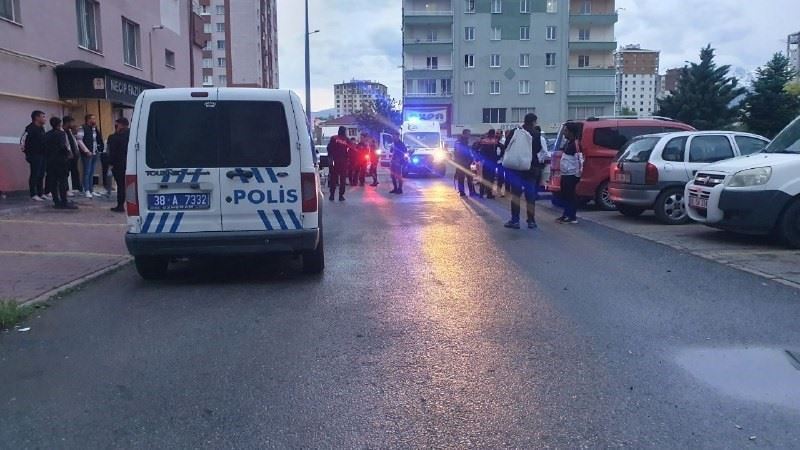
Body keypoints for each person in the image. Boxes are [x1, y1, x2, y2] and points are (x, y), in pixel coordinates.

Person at [504, 113, 545, 229]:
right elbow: (538, 149)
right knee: (530, 195)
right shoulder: (536, 134)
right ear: (533, 122)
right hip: (531, 167)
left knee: (516, 195)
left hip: (516, 167)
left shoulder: (515, 131)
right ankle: (531, 221)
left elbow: (506, 145)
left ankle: (515, 220)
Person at [43, 117, 77, 209]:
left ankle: (56, 201)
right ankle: (64, 201)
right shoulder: (61, 134)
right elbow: (63, 146)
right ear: (59, 124)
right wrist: (68, 153)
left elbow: (44, 147)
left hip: (50, 161)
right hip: (61, 160)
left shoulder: (47, 134)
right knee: (63, 181)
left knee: (53, 182)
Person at [557, 122, 583, 224]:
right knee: (565, 195)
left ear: (571, 132)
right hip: (565, 173)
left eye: (566, 131)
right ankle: (566, 214)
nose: (564, 133)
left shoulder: (576, 144)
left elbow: (579, 160)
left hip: (571, 174)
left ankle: (572, 216)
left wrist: (577, 174)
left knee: (571, 195)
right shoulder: (568, 143)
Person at [23, 110, 47, 201]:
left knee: (41, 174)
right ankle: (33, 194)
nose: (45, 119)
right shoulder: (30, 128)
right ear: (37, 117)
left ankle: (41, 193)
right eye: (43, 117)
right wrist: (27, 153)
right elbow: (23, 141)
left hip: (43, 154)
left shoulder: (42, 128)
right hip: (34, 155)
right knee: (35, 174)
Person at [107, 117, 130, 212]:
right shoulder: (132, 135)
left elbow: (112, 152)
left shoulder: (115, 137)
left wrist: (110, 163)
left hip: (119, 164)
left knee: (121, 185)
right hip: (130, 163)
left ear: (121, 125)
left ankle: (120, 205)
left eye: (117, 124)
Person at [79, 114, 105, 198]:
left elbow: (97, 139)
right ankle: (86, 190)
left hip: (95, 152)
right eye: (92, 119)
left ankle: (91, 189)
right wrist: (86, 150)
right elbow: (79, 140)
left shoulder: (94, 129)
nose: (94, 120)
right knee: (87, 172)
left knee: (92, 172)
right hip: (87, 153)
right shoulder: (82, 128)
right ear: (88, 120)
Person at [327, 126, 352, 201]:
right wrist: (348, 158)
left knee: (333, 178)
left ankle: (332, 195)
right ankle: (341, 196)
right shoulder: (346, 139)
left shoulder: (333, 138)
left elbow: (329, 149)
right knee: (342, 179)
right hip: (343, 162)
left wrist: (330, 160)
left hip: (334, 161)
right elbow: (351, 149)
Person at [474, 129, 500, 199]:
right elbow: (502, 148)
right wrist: (498, 157)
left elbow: (475, 148)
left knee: (484, 177)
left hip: (484, 161)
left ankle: (481, 193)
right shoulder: (495, 141)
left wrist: (478, 157)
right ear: (493, 134)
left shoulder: (483, 140)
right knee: (491, 178)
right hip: (492, 161)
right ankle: (489, 194)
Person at [453, 129, 476, 197]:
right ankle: (463, 192)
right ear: (464, 134)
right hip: (462, 162)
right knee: (462, 178)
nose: (469, 135)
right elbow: (459, 153)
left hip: (465, 162)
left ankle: (470, 192)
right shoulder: (460, 142)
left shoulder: (463, 141)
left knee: (468, 178)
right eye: (468, 134)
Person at [63, 116, 82, 195]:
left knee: (75, 171)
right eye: (72, 122)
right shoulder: (63, 132)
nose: (73, 124)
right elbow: (66, 144)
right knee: (66, 173)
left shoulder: (70, 131)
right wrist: (69, 152)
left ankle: (76, 187)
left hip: (74, 154)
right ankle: (66, 189)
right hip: (67, 155)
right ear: (67, 123)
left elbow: (74, 140)